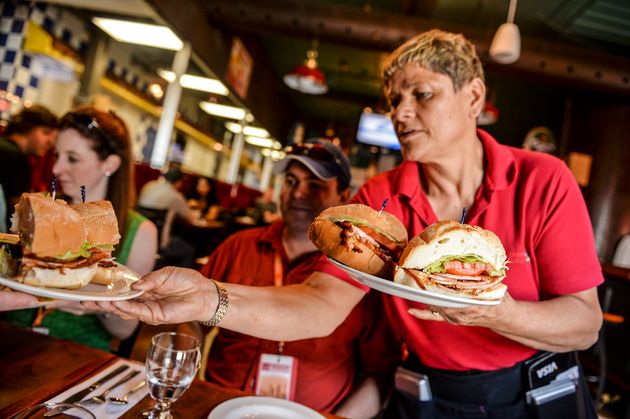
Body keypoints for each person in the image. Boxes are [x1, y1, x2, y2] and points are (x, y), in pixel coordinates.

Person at [85, 29, 603, 418]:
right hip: (429, 395)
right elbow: (319, 304)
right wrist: (207, 298)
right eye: (394, 100)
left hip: (535, 391)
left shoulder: (542, 178)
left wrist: (496, 311)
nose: (401, 112)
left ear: (472, 97)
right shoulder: (380, 199)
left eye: (421, 94)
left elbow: (584, 323)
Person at [192, 139, 400, 416]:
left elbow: (381, 373)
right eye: (290, 181)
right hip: (222, 407)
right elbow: (190, 322)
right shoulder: (237, 246)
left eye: (315, 185)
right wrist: (188, 381)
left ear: (344, 196)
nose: (298, 193)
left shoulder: (362, 276)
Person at [6, 106, 158, 352]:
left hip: (78, 354)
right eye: (57, 155)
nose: (56, 169)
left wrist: (91, 299)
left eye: (73, 158)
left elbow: (124, 330)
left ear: (109, 163)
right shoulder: (39, 208)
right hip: (12, 336)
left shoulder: (141, 231)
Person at [0, 105, 59, 229]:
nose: (50, 142)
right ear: (26, 127)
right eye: (46, 132)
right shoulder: (16, 157)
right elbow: (21, 208)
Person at [138, 167, 196, 267]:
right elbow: (191, 218)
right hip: (160, 243)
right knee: (189, 251)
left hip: (139, 235)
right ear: (178, 182)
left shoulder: (149, 185)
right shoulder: (176, 196)